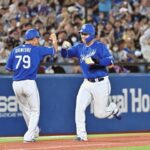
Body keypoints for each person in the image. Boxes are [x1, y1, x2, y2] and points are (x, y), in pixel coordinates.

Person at [61, 23, 121, 141]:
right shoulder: (79, 47)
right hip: (87, 83)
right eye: (81, 34)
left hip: (101, 83)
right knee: (79, 108)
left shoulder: (100, 46)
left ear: (92, 35)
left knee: (99, 114)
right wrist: (63, 47)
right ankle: (81, 135)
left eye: (85, 34)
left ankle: (113, 108)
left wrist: (96, 62)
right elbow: (65, 55)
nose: (83, 36)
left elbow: (110, 61)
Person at [5, 28, 58, 143]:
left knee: (25, 110)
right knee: (35, 111)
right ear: (33, 39)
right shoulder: (37, 49)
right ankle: (28, 136)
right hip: (29, 82)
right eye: (37, 38)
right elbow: (54, 50)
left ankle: (34, 131)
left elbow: (8, 69)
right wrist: (54, 40)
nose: (38, 40)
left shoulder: (15, 50)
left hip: (16, 83)